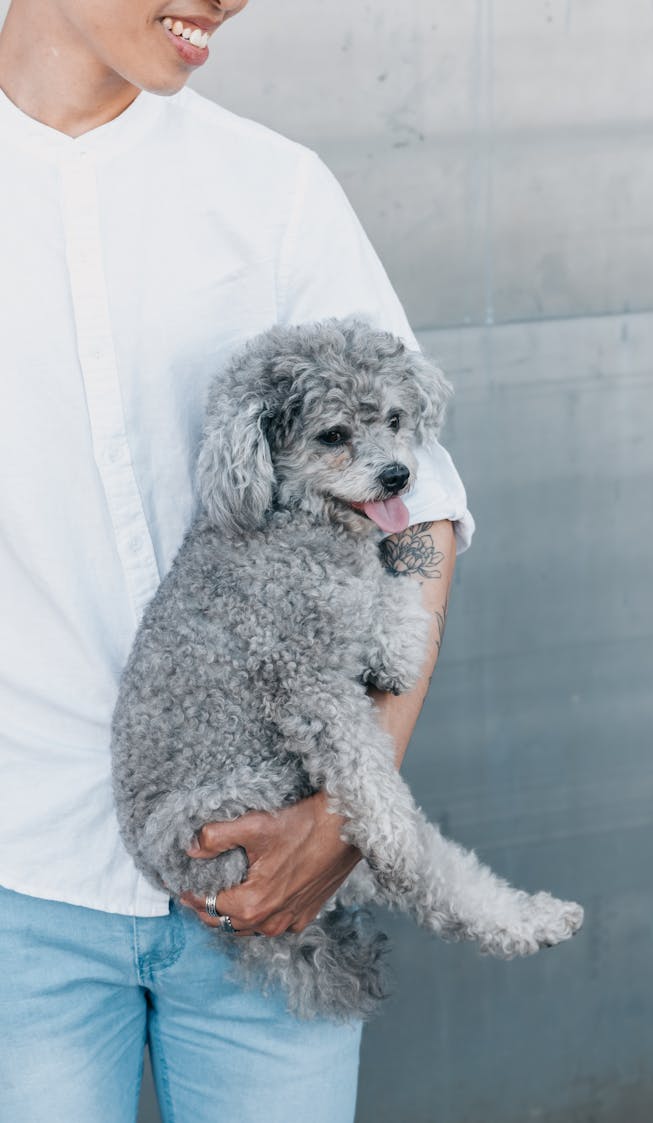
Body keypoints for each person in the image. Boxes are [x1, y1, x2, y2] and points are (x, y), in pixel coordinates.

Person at [0, 1, 474, 1120]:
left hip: (275, 870)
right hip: (21, 890)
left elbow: (419, 511)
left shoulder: (273, 191)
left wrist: (344, 817)